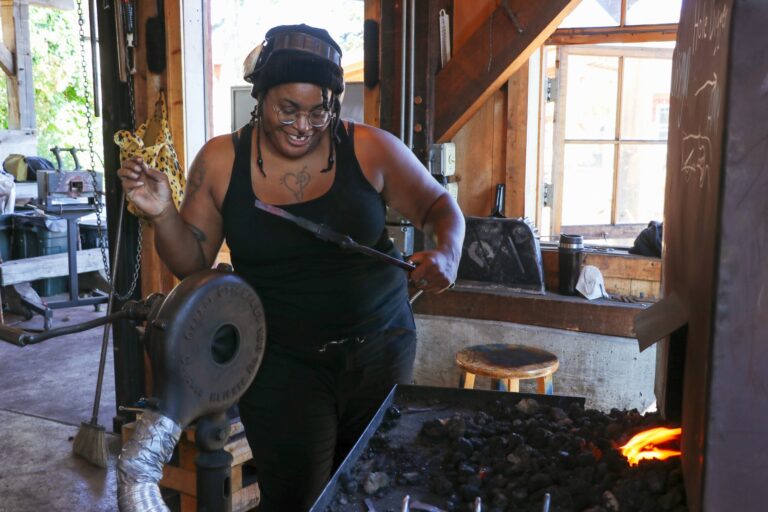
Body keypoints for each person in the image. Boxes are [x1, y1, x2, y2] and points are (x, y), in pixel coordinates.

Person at [118, 24, 465, 511]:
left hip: (379, 349)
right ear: (260, 98)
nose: (303, 125)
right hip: (280, 361)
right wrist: (163, 215)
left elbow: (438, 206)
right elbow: (192, 263)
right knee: (296, 498)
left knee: (372, 486)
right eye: (288, 109)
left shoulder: (368, 148)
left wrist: (447, 252)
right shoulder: (222, 160)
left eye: (319, 110)